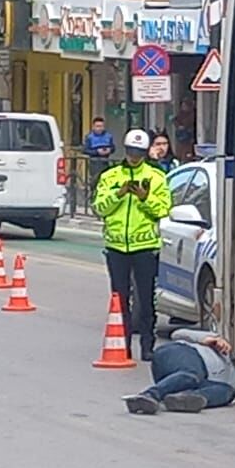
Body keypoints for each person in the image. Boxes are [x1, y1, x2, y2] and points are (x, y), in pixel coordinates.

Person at [93, 128, 171, 359]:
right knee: (119, 298)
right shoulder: (111, 176)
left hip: (145, 247)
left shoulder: (156, 177)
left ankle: (147, 346)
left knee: (146, 300)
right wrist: (120, 193)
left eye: (138, 152)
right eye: (130, 152)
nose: (134, 156)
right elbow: (99, 208)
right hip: (116, 247)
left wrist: (144, 198)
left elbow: (162, 209)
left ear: (145, 152)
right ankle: (122, 345)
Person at [125, 330, 235, 414]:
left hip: (190, 380)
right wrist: (207, 339)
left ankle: (184, 398)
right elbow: (177, 334)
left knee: (226, 392)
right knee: (191, 374)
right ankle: (149, 395)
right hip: (179, 354)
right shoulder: (223, 347)